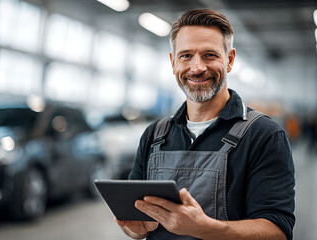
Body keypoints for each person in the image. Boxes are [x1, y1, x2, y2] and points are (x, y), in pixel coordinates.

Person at [115, 9, 295, 240]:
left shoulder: (264, 135)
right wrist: (135, 228)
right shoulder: (154, 135)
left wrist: (206, 228)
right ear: (173, 62)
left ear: (229, 60)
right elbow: (136, 223)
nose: (197, 67)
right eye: (186, 55)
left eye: (209, 55)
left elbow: (278, 232)